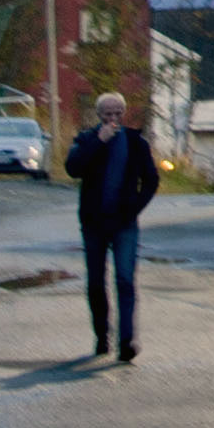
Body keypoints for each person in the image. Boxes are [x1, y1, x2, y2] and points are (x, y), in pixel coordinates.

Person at [63, 90, 160, 365]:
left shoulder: (135, 142)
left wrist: (134, 208)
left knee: (125, 280)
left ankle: (126, 340)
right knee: (96, 282)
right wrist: (98, 141)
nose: (113, 118)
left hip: (124, 224)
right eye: (108, 114)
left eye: (118, 113)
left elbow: (151, 180)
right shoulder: (86, 139)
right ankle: (102, 335)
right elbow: (73, 168)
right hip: (94, 223)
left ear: (124, 113)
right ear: (99, 116)